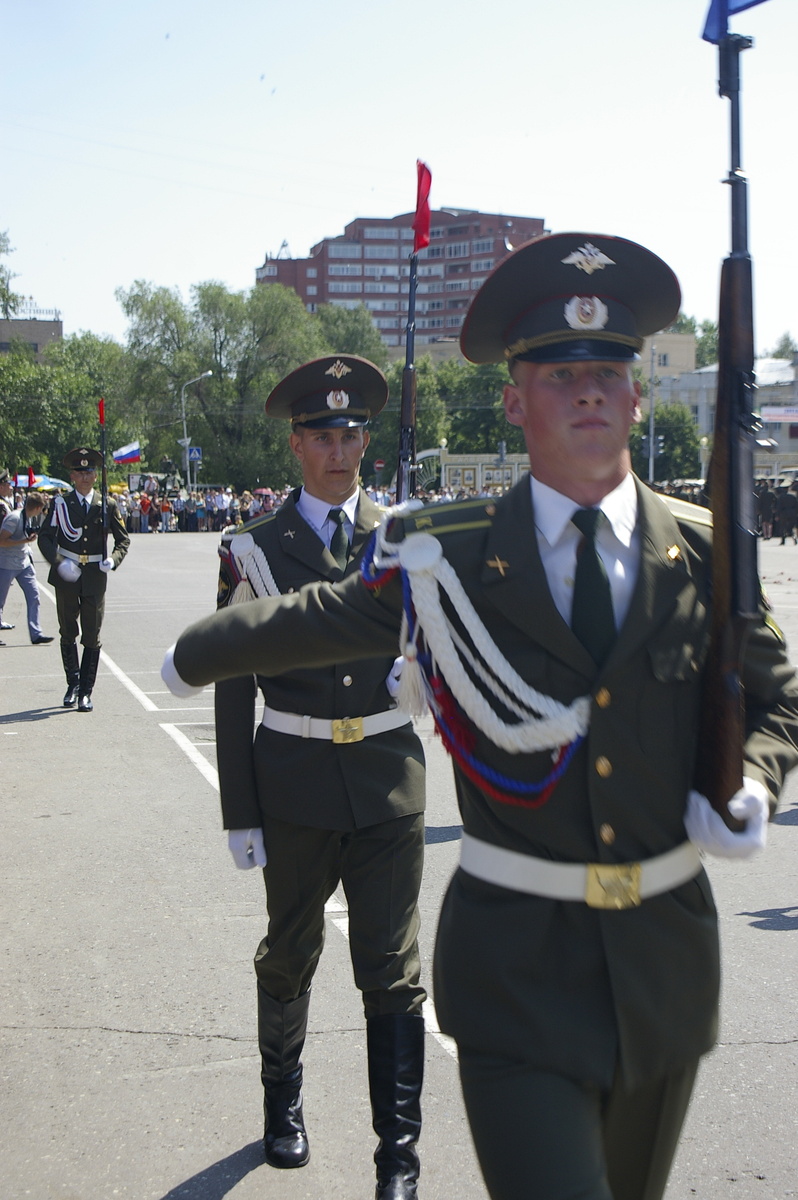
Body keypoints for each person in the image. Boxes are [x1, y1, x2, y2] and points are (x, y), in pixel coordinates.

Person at [162, 233, 798, 1200]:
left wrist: (753, 778)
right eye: (557, 371)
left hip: (665, 956)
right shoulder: (442, 553)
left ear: (637, 396)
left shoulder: (708, 551)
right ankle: (379, 1145)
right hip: (514, 958)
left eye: (608, 370)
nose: (588, 389)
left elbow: (781, 692)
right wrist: (196, 654)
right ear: (514, 399)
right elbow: (316, 618)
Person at [208, 355, 426, 1197]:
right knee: (291, 953)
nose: (343, 450)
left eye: (355, 433)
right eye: (326, 435)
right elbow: (233, 682)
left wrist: (424, 675)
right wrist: (240, 808)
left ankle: (397, 1155)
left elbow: (442, 642)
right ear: (296, 445)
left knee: (393, 970)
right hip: (294, 781)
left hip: (385, 781)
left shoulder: (403, 536)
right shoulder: (255, 550)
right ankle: (283, 1102)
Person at [38, 447, 130, 712]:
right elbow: (46, 537)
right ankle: (73, 684)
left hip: (94, 576)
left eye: (90, 470)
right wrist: (58, 562)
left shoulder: (107, 504)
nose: (86, 475)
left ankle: (86, 692)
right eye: (80, 471)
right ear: (72, 476)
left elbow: (123, 539)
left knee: (92, 634)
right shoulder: (60, 505)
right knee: (67, 631)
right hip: (67, 574)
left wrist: (113, 559)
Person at [0, 492, 53, 645]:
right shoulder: (14, 518)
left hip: (23, 563)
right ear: (37, 508)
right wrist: (24, 540)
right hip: (6, 564)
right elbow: (2, 541)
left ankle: (36, 633)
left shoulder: (26, 517)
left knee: (34, 596)